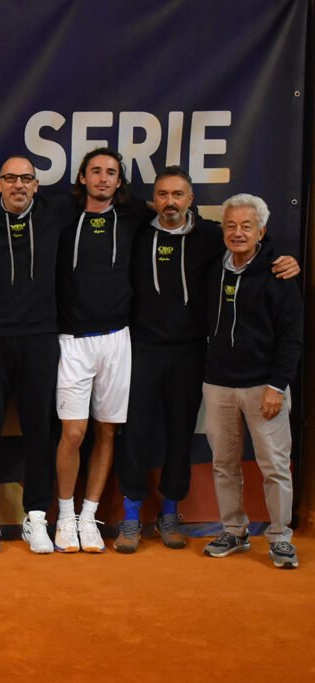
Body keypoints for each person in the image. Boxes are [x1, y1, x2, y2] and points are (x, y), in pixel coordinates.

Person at [116, 168, 299, 552]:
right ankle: (131, 516)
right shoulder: (136, 230)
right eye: (163, 194)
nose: (170, 202)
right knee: (135, 434)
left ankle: (170, 513)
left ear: (191, 198)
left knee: (180, 433)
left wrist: (286, 260)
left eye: (178, 194)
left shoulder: (211, 236)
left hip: (190, 353)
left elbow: (253, 242)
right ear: (154, 198)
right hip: (141, 350)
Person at [0, 156, 76, 554]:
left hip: (40, 337)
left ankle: (36, 519)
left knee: (39, 429)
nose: (18, 185)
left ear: (36, 185)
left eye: (26, 179)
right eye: (10, 178)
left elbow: (115, 200)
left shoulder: (56, 213)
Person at [51, 148, 149, 553]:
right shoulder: (58, 212)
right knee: (73, 432)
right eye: (96, 171)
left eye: (111, 172)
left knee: (107, 430)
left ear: (120, 180)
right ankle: (65, 516)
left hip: (116, 339)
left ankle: (89, 516)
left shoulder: (134, 217)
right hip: (72, 340)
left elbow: (188, 223)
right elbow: (9, 204)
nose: (103, 178)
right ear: (82, 177)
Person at [201, 194, 301, 569]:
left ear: (262, 230)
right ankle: (234, 530)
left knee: (274, 464)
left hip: (265, 387)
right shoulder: (215, 267)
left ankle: (280, 537)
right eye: (231, 225)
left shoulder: (279, 272)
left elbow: (292, 336)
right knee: (223, 463)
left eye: (247, 226)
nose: (238, 233)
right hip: (219, 384)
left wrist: (278, 385)